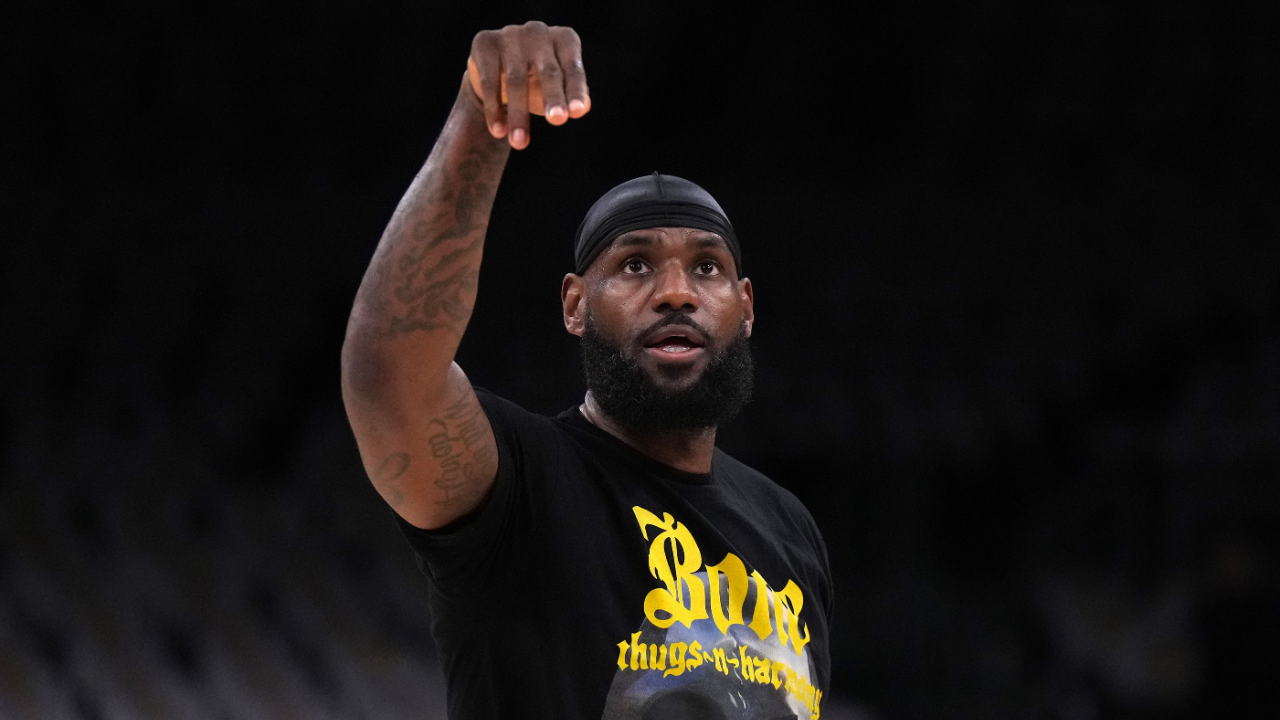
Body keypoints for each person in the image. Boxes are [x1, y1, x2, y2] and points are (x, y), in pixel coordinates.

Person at [340, 20, 832, 720]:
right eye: (635, 265)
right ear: (575, 305)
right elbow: (387, 376)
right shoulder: (523, 484)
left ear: (745, 306)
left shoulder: (790, 528)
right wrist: (479, 119)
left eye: (707, 268)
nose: (676, 292)